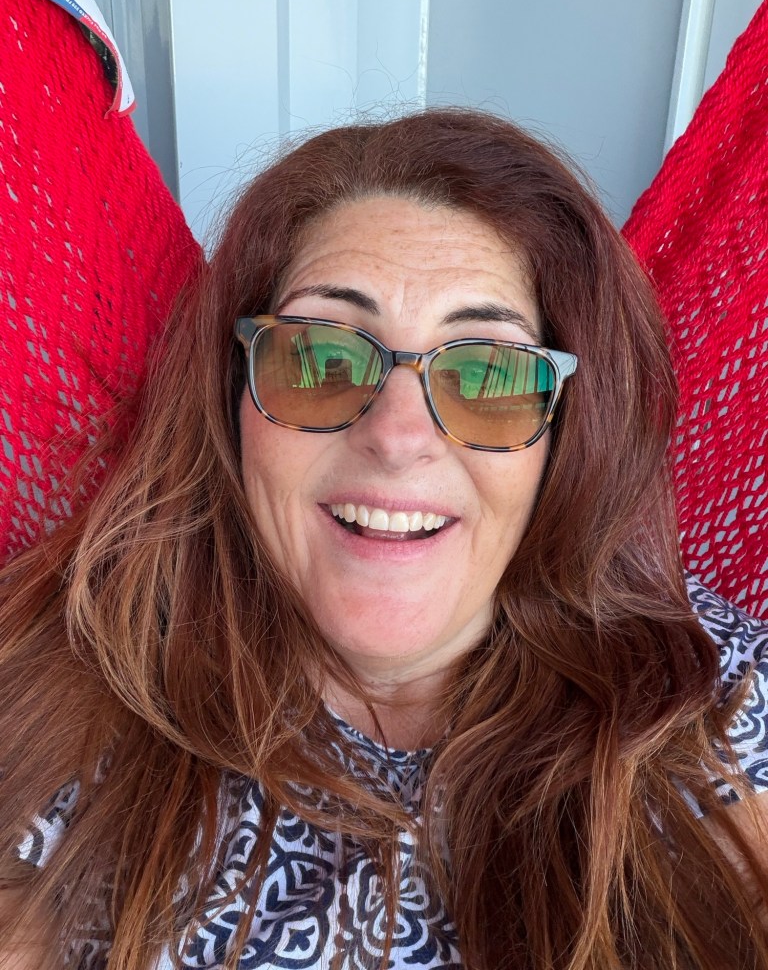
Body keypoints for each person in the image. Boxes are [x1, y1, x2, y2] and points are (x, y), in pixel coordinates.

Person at [0, 108, 767, 970]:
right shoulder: (72, 695)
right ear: (230, 398)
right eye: (322, 359)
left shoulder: (705, 692)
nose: (398, 438)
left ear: (567, 438)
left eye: (488, 373)